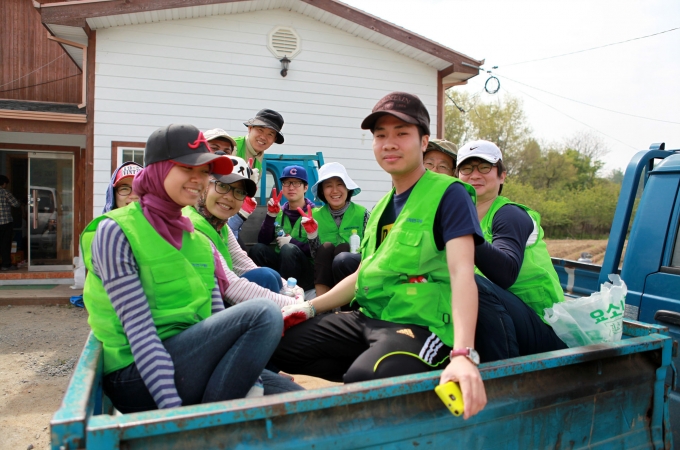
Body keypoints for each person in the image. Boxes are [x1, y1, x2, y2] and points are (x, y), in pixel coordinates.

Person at [272, 92, 488, 420]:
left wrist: (463, 353)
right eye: (380, 135)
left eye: (402, 133)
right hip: (369, 319)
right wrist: (309, 306)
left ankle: (406, 366)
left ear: (423, 141)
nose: (389, 143)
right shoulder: (381, 208)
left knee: (365, 379)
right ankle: (369, 365)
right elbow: (361, 275)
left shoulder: (449, 193)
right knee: (274, 341)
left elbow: (462, 274)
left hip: (423, 327)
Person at [81, 124, 294, 414]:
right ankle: (210, 430)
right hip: (137, 374)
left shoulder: (197, 238)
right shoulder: (116, 231)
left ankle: (222, 415)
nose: (198, 179)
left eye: (205, 171)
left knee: (300, 401)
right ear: (158, 168)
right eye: (187, 167)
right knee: (263, 313)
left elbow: (219, 319)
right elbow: (141, 334)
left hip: (192, 361)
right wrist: (175, 419)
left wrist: (252, 377)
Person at [455, 140, 567, 360]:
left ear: (502, 176)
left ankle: (500, 378)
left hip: (542, 328)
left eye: (485, 167)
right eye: (467, 168)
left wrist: (463, 231)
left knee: (473, 283)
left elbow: (505, 274)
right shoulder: (464, 217)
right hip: (501, 320)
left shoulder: (510, 215)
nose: (475, 175)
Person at [183, 155, 304, 305]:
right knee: (266, 279)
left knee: (267, 274)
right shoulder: (192, 226)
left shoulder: (220, 226)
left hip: (212, 301)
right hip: (195, 314)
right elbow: (231, 286)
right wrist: (297, 304)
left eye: (239, 192)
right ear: (204, 184)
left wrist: (293, 289)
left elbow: (244, 265)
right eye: (222, 185)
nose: (229, 197)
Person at [300, 162, 369, 296]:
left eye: (340, 184)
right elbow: (315, 255)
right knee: (325, 247)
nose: (335, 191)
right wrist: (312, 234)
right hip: (323, 275)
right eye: (328, 186)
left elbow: (372, 248)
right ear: (322, 191)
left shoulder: (363, 213)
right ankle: (321, 303)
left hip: (352, 275)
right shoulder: (313, 216)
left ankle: (343, 302)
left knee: (343, 249)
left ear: (348, 188)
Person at [248, 165, 315, 292]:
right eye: (286, 183)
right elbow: (263, 241)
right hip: (283, 266)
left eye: (296, 183)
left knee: (288, 249)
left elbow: (318, 251)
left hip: (306, 271)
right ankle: (264, 289)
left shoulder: (315, 213)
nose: (291, 187)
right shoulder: (279, 212)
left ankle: (285, 293)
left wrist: (292, 242)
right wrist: (271, 215)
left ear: (305, 187)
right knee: (258, 249)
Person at [228, 109, 285, 242]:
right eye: (260, 130)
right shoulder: (232, 148)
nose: (263, 137)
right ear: (250, 128)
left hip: (233, 219)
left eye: (270, 134)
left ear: (274, 139)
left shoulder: (259, 160)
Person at [0, 175, 20, 271]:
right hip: (5, 222)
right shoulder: (5, 193)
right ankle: (6, 264)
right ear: (4, 184)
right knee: (5, 244)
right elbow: (16, 204)